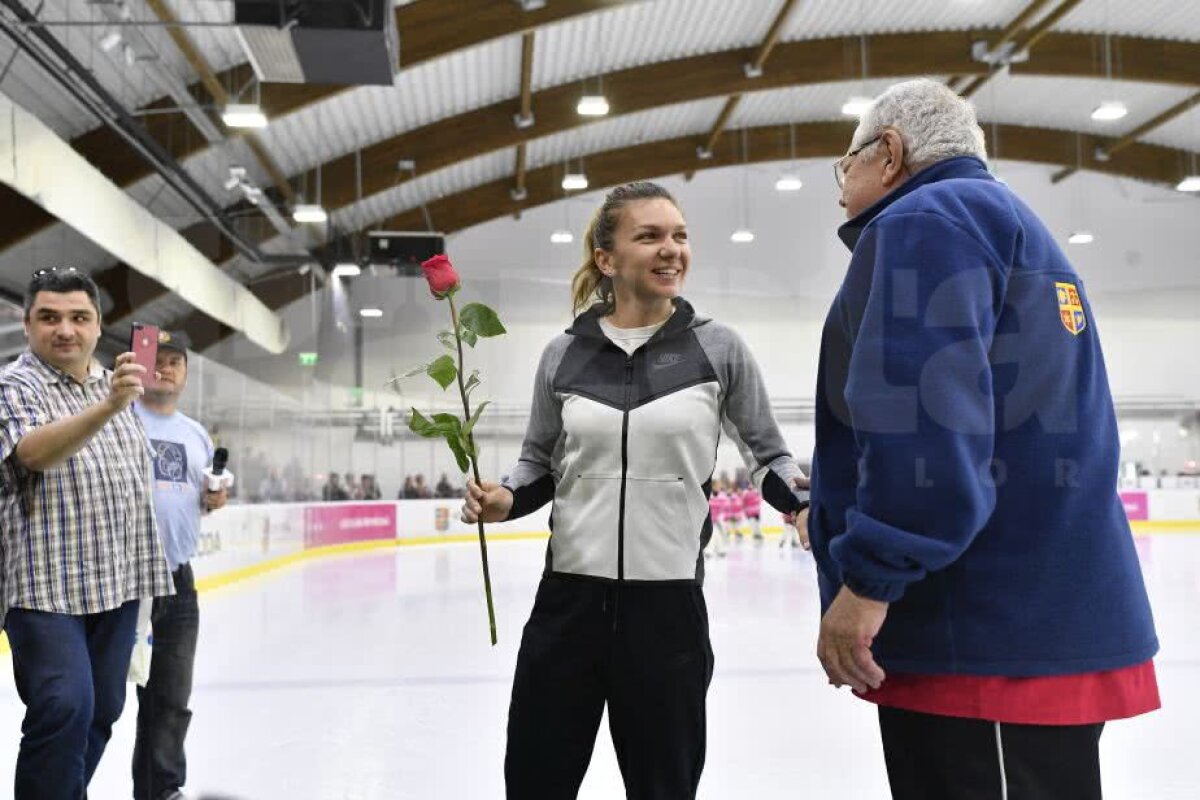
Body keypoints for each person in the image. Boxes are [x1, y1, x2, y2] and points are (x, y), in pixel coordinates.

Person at [809, 78, 1159, 799]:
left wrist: (872, 577)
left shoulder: (923, 221)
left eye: (845, 166)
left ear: (890, 153)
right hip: (1033, 611)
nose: (842, 190)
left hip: (978, 632)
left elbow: (926, 427)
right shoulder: (1008, 222)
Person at [461, 181, 808, 799]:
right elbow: (537, 460)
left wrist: (802, 505)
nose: (671, 249)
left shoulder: (717, 348)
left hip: (666, 615)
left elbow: (767, 455)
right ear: (606, 258)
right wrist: (505, 498)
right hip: (566, 610)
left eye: (679, 235)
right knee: (535, 784)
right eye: (649, 236)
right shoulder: (563, 353)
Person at [0, 267, 174, 800]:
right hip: (44, 584)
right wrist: (107, 408)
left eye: (80, 317)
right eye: (49, 317)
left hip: (117, 581)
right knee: (64, 703)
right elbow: (32, 453)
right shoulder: (14, 385)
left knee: (103, 707)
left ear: (99, 326)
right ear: (28, 324)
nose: (65, 330)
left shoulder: (112, 384)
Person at [132, 330, 229, 800]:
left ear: (186, 373)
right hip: (123, 580)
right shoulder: (119, 419)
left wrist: (214, 498)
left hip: (177, 580)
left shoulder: (195, 435)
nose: (165, 368)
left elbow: (201, 499)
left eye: (175, 362)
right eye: (157, 358)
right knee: (105, 700)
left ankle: (162, 791)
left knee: (170, 698)